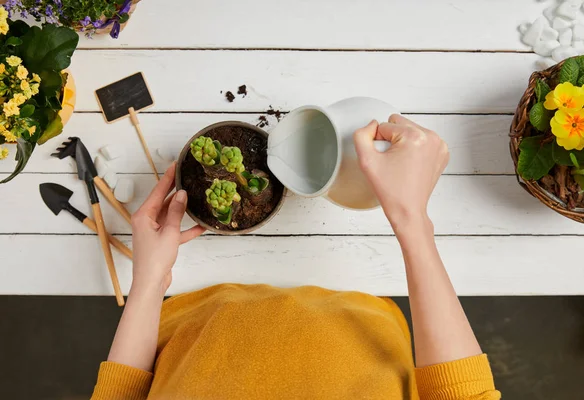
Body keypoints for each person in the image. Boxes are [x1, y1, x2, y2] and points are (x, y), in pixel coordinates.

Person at [91, 115, 501, 400]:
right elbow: (463, 391)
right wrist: (413, 222)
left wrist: (149, 282)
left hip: (194, 319)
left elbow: (122, 391)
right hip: (365, 319)